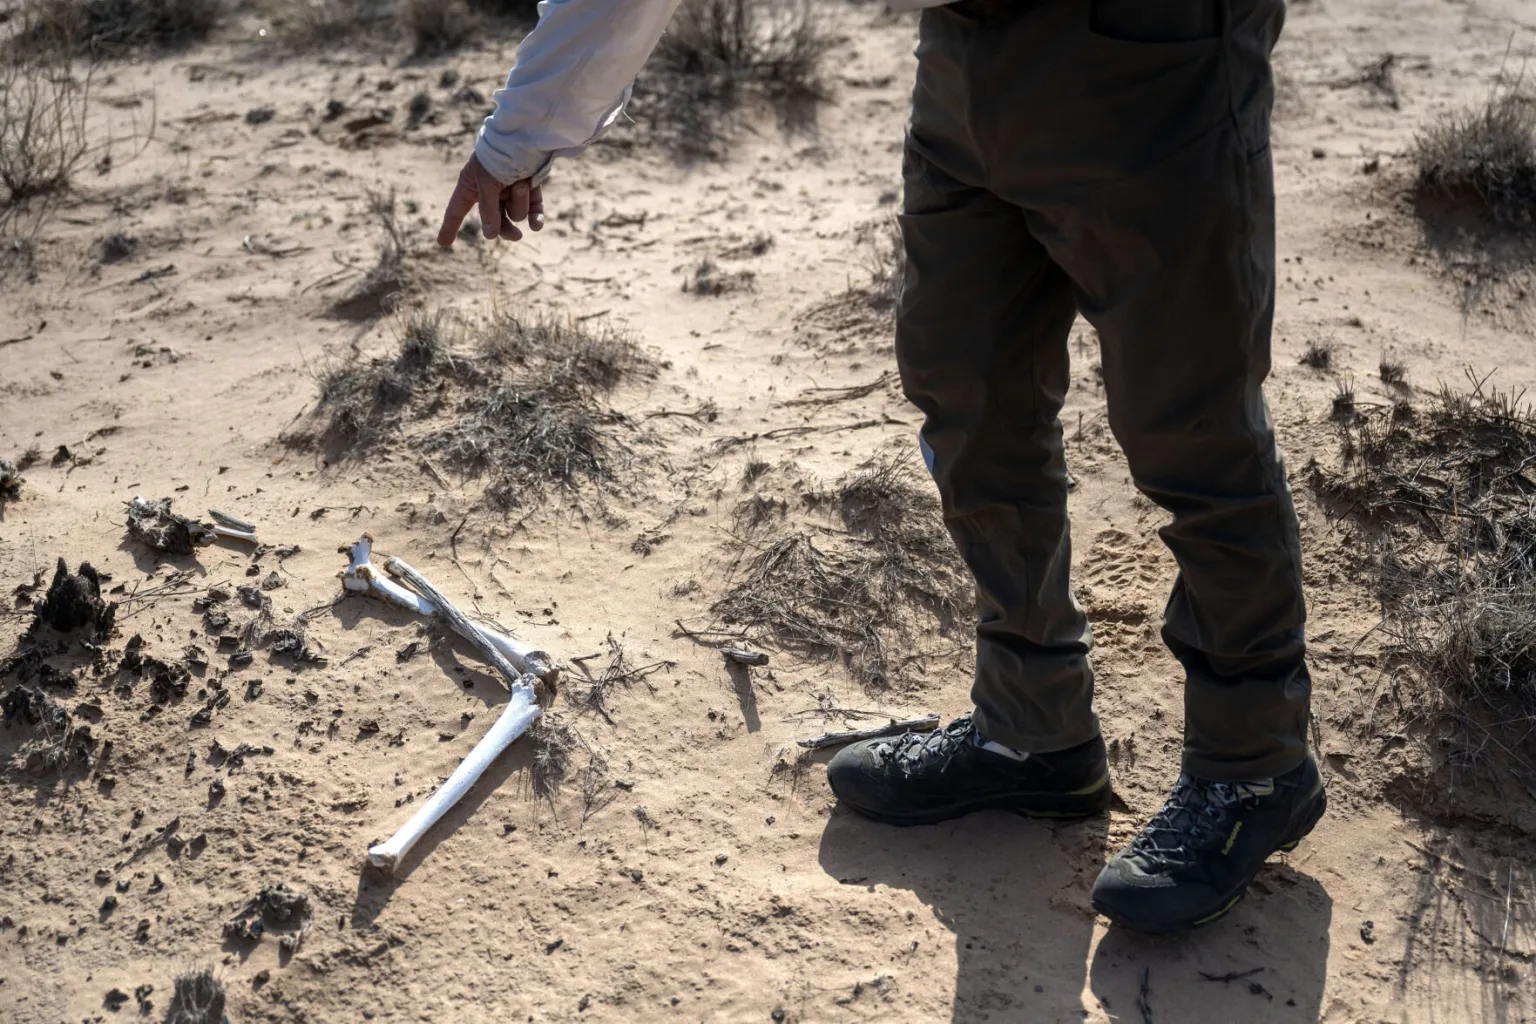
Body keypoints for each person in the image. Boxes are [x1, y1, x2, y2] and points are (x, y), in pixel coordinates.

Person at [438, 0, 1325, 934]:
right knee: (969, 390)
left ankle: (1252, 765)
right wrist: (523, 132)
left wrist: (523, 131)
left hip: (1154, 53)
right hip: (966, 51)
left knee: (1191, 427)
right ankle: (1032, 732)